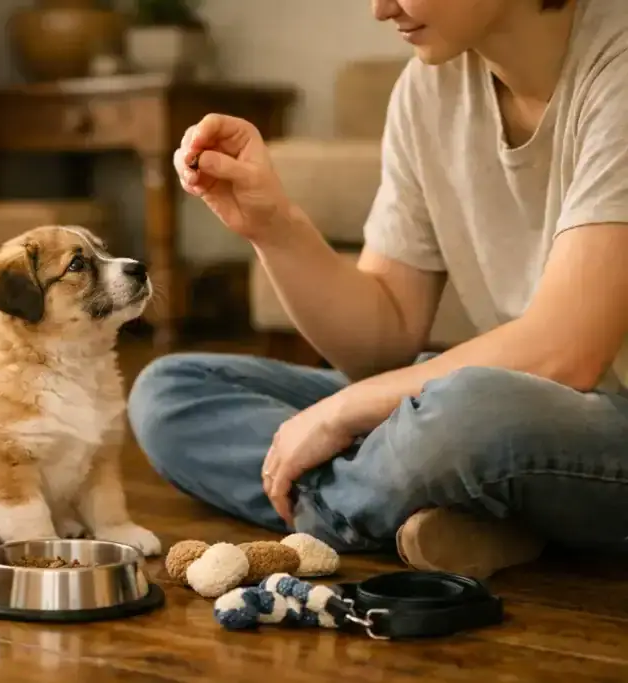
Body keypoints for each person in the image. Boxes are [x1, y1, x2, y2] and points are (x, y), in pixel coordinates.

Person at [127, 0, 628, 580]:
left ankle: (352, 512)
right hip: (510, 414)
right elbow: (382, 341)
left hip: (570, 417)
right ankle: (448, 508)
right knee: (172, 391)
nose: (379, 7)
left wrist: (342, 413)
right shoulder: (428, 89)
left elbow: (565, 352)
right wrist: (274, 226)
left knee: (468, 413)